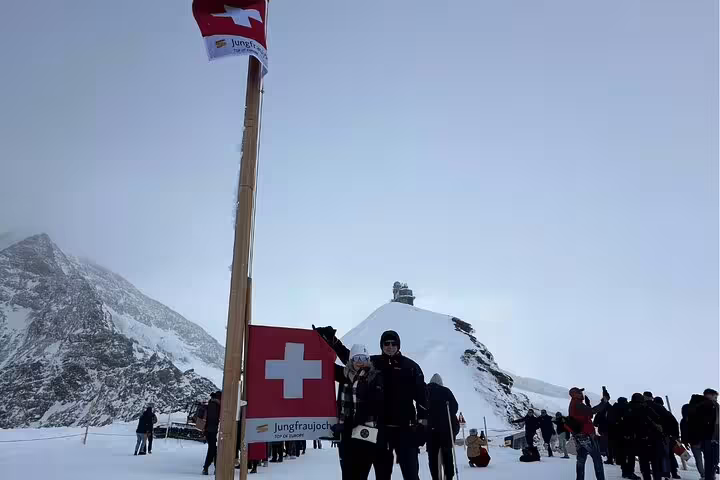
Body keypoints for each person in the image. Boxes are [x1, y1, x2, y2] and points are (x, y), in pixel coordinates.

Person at [314, 326, 428, 480]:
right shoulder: (373, 362)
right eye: (386, 343)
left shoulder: (411, 367)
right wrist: (332, 341)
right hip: (380, 430)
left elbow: (422, 397)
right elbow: (352, 360)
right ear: (381, 345)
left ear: (398, 346)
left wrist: (422, 425)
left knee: (411, 474)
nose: (390, 347)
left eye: (393, 344)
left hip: (405, 429)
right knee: (382, 474)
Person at [336, 344, 385, 480]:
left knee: (362, 471)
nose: (360, 361)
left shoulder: (374, 377)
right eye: (357, 358)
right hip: (346, 431)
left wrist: (355, 421)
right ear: (351, 359)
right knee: (347, 472)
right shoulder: (345, 376)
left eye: (364, 358)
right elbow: (340, 403)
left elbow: (376, 404)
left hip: (366, 430)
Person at [568, 387, 608, 480]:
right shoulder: (577, 404)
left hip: (579, 436)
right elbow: (592, 411)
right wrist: (604, 402)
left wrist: (588, 404)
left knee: (581, 460)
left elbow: (588, 415)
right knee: (597, 459)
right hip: (587, 435)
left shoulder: (574, 404)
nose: (582, 394)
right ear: (575, 394)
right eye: (579, 392)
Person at [426, 373, 459, 480]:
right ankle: (448, 476)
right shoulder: (446, 391)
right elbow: (454, 408)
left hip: (430, 431)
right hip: (445, 431)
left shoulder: (425, 391)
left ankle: (435, 477)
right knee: (447, 455)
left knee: (433, 457)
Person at [626, 393, 664, 480]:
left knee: (644, 464)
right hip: (653, 439)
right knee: (655, 464)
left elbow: (628, 427)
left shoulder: (630, 410)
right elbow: (659, 420)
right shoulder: (648, 409)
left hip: (639, 440)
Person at [687, 388, 719, 480]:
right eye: (715, 396)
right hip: (709, 438)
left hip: (707, 438)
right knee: (712, 460)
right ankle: (709, 477)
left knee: (710, 460)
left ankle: (708, 476)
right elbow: (707, 423)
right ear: (708, 395)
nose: (716, 399)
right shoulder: (708, 405)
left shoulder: (697, 406)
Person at [607, 397, 639, 480]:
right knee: (630, 455)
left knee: (622, 454)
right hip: (627, 435)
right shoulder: (626, 408)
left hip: (616, 436)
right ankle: (630, 472)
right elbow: (629, 422)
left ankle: (624, 471)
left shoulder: (613, 409)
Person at [652, 397, 681, 479]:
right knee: (671, 455)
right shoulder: (667, 412)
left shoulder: (654, 412)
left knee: (663, 456)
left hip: (661, 437)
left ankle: (665, 473)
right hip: (670, 437)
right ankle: (674, 472)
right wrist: (676, 436)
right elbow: (675, 424)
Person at [681, 403, 705, 480]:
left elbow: (683, 433)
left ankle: (703, 475)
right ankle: (710, 473)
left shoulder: (683, 420)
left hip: (694, 442)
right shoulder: (699, 418)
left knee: (698, 460)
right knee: (708, 457)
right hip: (704, 441)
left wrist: (685, 442)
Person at [202, 391, 222, 475]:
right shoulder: (217, 406)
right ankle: (207, 467)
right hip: (214, 430)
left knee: (213, 449)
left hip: (208, 431)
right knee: (213, 449)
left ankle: (209, 468)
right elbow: (215, 419)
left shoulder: (209, 405)